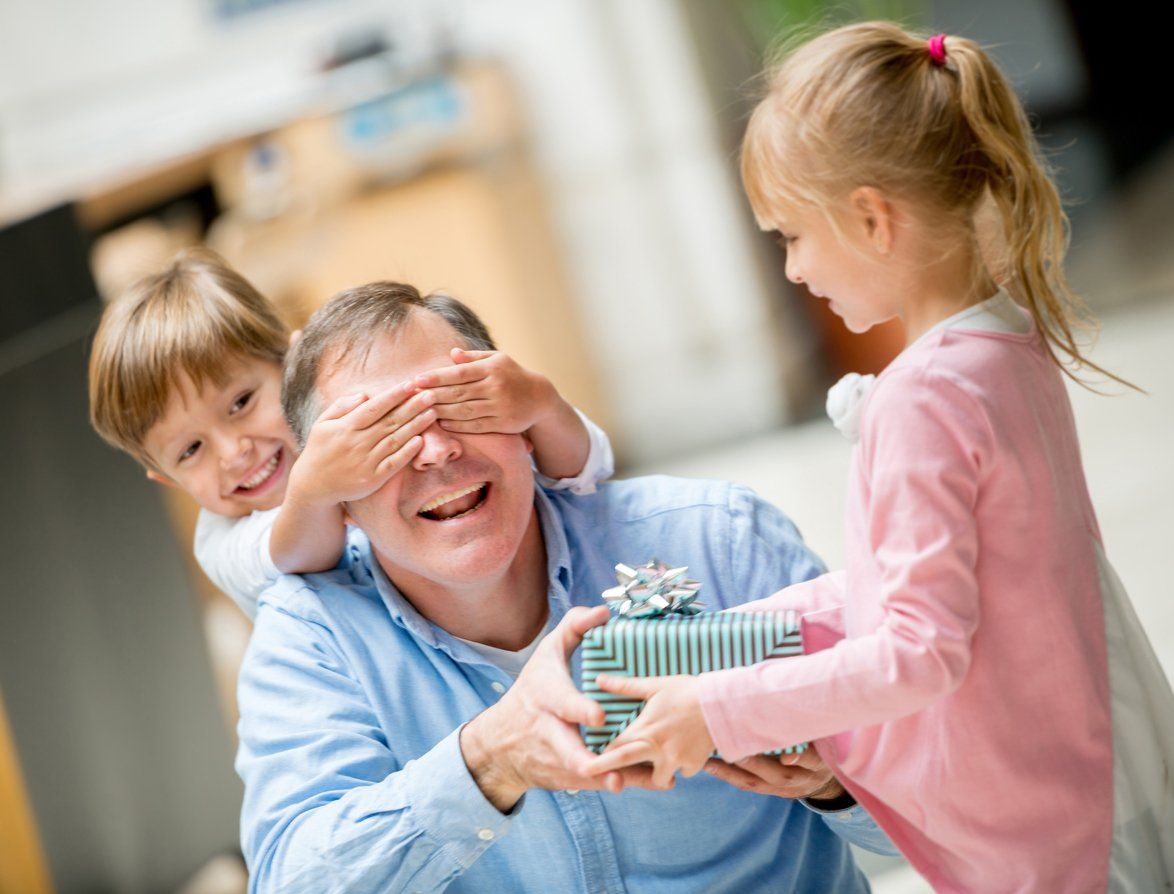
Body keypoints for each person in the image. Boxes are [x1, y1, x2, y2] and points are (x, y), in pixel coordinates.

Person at [587, 22, 1174, 892]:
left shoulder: (923, 396)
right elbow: (961, 584)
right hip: (1101, 748)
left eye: (789, 235)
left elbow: (919, 651)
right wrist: (760, 635)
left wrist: (715, 708)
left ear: (870, 218)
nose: (789, 271)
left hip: (1047, 825)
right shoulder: (1004, 346)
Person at [235, 281, 897, 892]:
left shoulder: (716, 538)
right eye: (382, 438)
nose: (435, 451)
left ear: (522, 423)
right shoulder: (310, 640)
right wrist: (489, 760)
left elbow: (946, 784)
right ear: (337, 502)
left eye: (461, 405)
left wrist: (839, 781)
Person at [88, 248, 612, 617]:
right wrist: (318, 489)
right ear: (169, 481)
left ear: (293, 369)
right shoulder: (224, 541)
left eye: (241, 403)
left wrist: (541, 407)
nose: (233, 451)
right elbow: (300, 555)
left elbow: (587, 473)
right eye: (191, 450)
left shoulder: (380, 419)